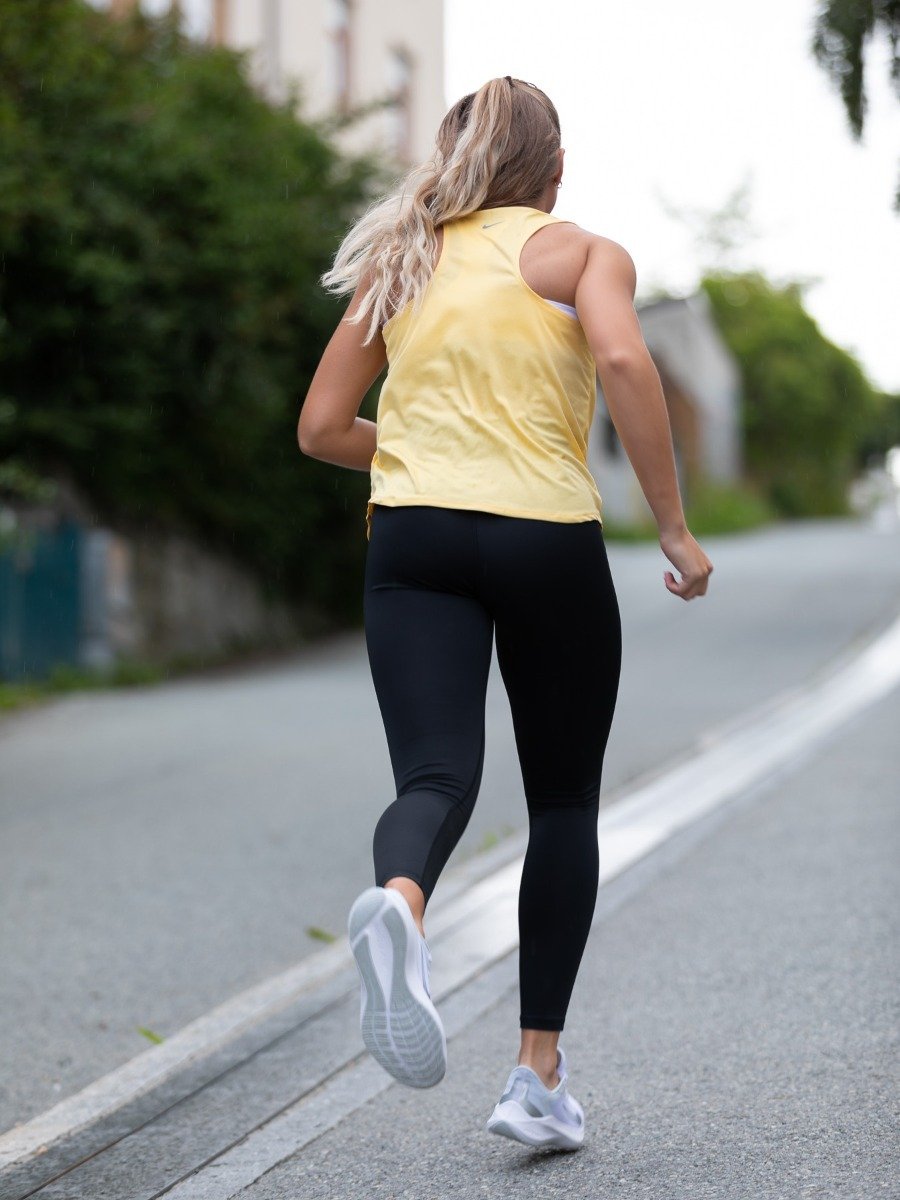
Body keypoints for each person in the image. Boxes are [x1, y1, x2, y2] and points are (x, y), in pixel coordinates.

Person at [298, 75, 713, 1151]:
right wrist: (671, 526)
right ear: (556, 169)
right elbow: (623, 357)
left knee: (435, 777)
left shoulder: (404, 258)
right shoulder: (581, 254)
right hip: (544, 538)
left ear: (454, 160)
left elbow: (320, 426)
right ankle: (536, 1076)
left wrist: (413, 455)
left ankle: (402, 902)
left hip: (414, 540)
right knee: (563, 804)